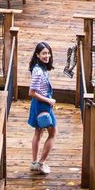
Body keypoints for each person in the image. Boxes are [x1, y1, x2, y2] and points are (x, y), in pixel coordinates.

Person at [28, 41, 57, 174]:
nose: (47, 56)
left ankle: (34, 163)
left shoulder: (41, 67)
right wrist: (49, 100)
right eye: (44, 53)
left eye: (48, 53)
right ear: (37, 55)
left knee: (38, 133)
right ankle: (41, 163)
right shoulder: (38, 71)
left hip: (40, 104)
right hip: (42, 105)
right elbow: (31, 93)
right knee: (52, 134)